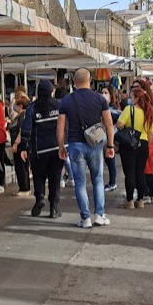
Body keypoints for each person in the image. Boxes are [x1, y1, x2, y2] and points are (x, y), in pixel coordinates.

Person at [57, 69, 115, 228]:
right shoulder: (100, 99)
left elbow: (60, 127)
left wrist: (61, 146)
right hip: (95, 144)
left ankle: (85, 218)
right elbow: (109, 124)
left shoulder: (66, 101)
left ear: (74, 81)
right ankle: (99, 214)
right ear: (90, 80)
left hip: (75, 145)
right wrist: (110, 145)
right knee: (98, 179)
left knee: (80, 183)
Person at [20, 81, 65, 218]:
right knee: (54, 178)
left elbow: (26, 129)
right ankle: (54, 208)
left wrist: (24, 147)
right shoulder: (59, 106)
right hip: (56, 148)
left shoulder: (32, 108)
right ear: (51, 92)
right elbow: (65, 126)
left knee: (39, 177)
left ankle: (40, 198)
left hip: (38, 150)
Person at [116, 78, 153, 209]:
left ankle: (130, 201)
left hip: (129, 144)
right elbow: (151, 132)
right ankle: (140, 200)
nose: (130, 99)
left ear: (136, 98)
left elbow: (120, 124)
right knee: (140, 172)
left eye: (132, 97)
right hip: (143, 144)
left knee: (129, 172)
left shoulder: (129, 109)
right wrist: (145, 142)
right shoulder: (149, 112)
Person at [10, 94, 31, 196]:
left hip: (20, 145)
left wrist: (15, 144)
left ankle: (24, 188)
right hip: (21, 145)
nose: (15, 108)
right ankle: (23, 187)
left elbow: (21, 131)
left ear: (21, 106)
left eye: (17, 106)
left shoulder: (22, 117)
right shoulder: (22, 116)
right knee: (21, 166)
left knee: (21, 167)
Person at [101, 86, 121, 192]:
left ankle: (112, 183)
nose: (103, 94)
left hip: (109, 140)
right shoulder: (101, 107)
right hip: (102, 139)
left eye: (106, 92)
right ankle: (111, 182)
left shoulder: (113, 110)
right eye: (102, 92)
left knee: (110, 161)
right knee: (107, 162)